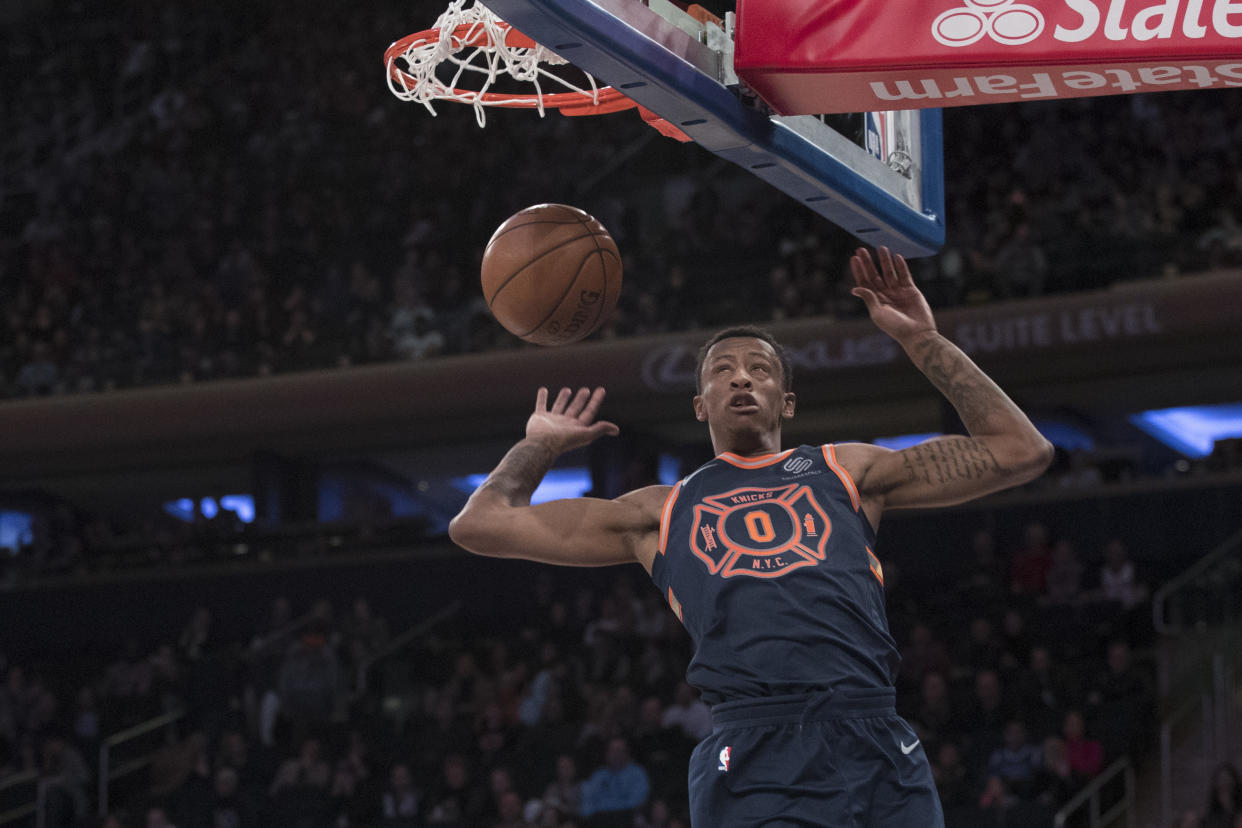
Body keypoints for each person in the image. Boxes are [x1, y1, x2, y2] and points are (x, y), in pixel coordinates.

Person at [449, 247, 1054, 827]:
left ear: (785, 401)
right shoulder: (658, 510)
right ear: (699, 404)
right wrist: (541, 444)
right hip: (754, 745)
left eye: (760, 370)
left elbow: (1021, 451)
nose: (742, 378)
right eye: (723, 371)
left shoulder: (848, 470)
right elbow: (478, 525)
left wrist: (922, 340)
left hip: (872, 733)